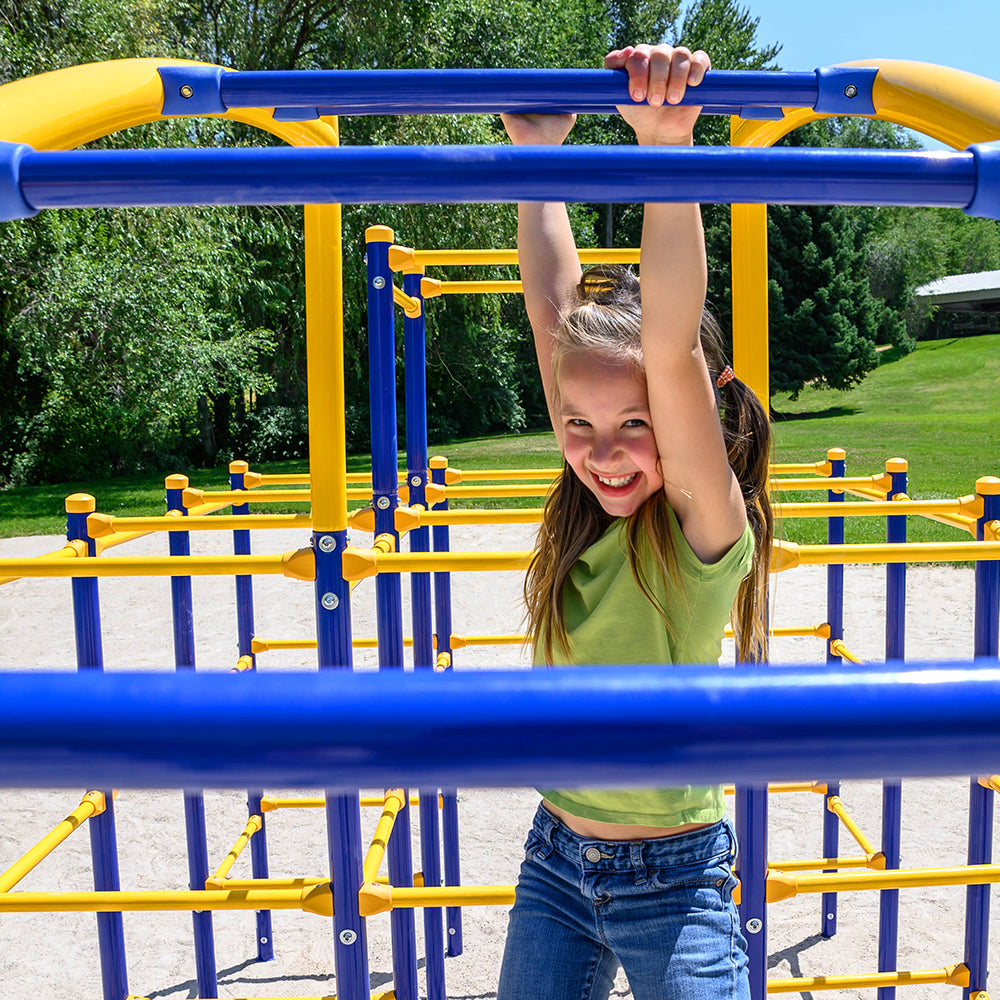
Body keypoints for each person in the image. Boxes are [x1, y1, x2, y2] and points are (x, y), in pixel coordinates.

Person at [496, 43, 773, 1000]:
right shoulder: (582, 509)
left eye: (636, 426)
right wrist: (539, 160)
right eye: (579, 425)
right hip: (557, 855)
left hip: (678, 877)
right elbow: (549, 314)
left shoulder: (700, 526)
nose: (602, 450)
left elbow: (668, 342)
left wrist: (666, 146)